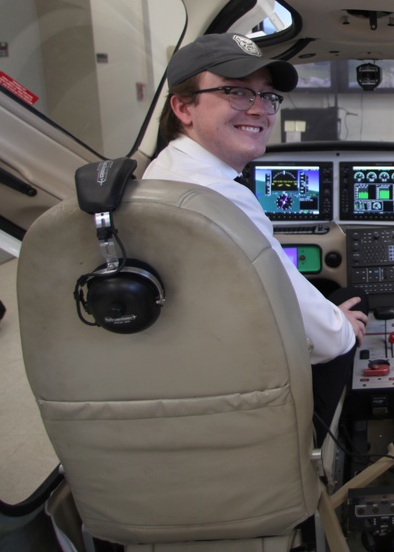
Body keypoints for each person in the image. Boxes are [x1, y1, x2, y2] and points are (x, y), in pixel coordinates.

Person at [143, 33, 368, 444]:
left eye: (267, 97)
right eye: (236, 92)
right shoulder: (220, 196)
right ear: (183, 107)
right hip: (250, 390)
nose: (259, 110)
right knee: (350, 307)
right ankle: (322, 449)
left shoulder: (165, 170)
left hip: (201, 363)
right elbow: (319, 332)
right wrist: (343, 327)